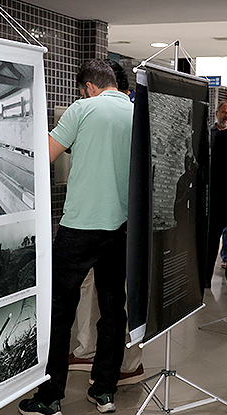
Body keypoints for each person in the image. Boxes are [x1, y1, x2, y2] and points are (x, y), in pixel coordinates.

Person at [18, 60, 133, 415]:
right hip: (120, 227)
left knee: (59, 311)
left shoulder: (81, 109)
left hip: (79, 227)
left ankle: (50, 399)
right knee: (113, 310)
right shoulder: (135, 112)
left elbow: (45, 157)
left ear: (86, 87)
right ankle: (104, 390)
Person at [68, 58, 144, 387]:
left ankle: (115, 362)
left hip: (96, 222)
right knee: (117, 299)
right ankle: (113, 368)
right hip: (127, 223)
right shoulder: (134, 115)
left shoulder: (94, 111)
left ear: (93, 87)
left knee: (109, 298)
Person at [205, 99, 227, 289]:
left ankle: (206, 278)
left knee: (212, 237)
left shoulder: (223, 137)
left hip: (219, 195)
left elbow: (215, 167)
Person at [211, 101, 227, 269]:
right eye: (223, 112)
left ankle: (226, 258)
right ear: (217, 113)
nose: (226, 115)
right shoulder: (209, 133)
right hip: (214, 188)